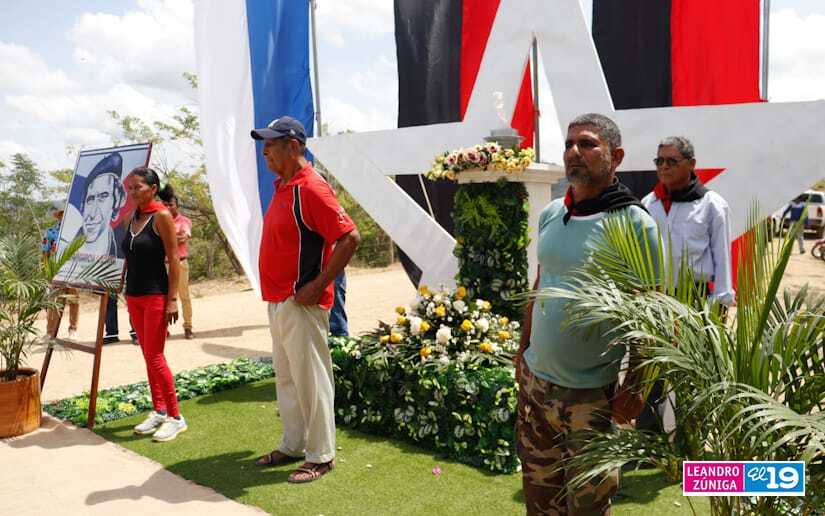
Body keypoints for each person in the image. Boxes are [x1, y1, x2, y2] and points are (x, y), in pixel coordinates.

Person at [515, 113, 659, 514]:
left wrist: (633, 392)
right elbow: (541, 283)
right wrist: (522, 351)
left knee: (588, 507)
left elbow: (650, 319)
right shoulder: (551, 214)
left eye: (588, 143)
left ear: (616, 156)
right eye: (569, 144)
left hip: (593, 395)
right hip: (537, 387)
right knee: (540, 501)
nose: (574, 152)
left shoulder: (634, 225)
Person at [250, 116, 360, 483]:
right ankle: (294, 444)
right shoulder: (284, 186)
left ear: (294, 146)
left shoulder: (310, 187)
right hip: (279, 299)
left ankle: (321, 455)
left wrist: (319, 284)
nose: (265, 151)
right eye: (264, 144)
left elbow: (349, 238)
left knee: (311, 379)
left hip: (302, 302)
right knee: (287, 378)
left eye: (271, 144)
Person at [638, 136, 735, 435]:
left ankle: (690, 441)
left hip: (694, 302)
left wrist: (720, 306)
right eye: (659, 161)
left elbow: (722, 256)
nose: (664, 167)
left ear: (691, 164)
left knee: (691, 377)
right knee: (651, 377)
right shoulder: (649, 204)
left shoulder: (712, 205)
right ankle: (648, 444)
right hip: (655, 301)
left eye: (672, 161)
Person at [124, 166, 186, 442]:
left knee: (155, 357)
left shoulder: (161, 216)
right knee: (147, 356)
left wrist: (172, 300)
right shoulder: (131, 218)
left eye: (137, 187)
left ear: (152, 188)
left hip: (156, 296)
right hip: (133, 296)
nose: (132, 192)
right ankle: (159, 410)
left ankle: (176, 417)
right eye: (130, 187)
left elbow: (174, 259)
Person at [73, 152, 128, 344]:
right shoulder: (75, 244)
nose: (93, 213)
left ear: (116, 203)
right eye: (90, 199)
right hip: (102, 272)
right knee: (108, 299)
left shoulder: (122, 234)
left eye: (103, 197)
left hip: (125, 268)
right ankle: (111, 333)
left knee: (130, 296)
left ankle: (136, 332)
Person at [159, 190, 195, 339]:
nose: (168, 207)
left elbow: (182, 239)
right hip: (163, 264)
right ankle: (163, 329)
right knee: (162, 298)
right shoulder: (159, 221)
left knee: (184, 296)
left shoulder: (184, 221)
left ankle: (188, 327)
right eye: (165, 205)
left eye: (171, 204)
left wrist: (164, 238)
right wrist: (173, 237)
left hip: (180, 263)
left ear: (177, 206)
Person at [43, 202, 79, 341]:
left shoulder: (77, 233)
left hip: (73, 271)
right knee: (53, 302)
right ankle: (50, 332)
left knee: (74, 300)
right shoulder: (51, 232)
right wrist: (47, 272)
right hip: (56, 271)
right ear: (58, 216)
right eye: (62, 215)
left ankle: (73, 330)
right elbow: (45, 253)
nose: (64, 217)